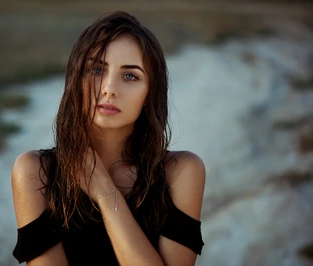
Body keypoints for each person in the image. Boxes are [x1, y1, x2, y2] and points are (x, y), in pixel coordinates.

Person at [11, 11, 205, 266]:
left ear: (149, 94)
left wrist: (104, 191)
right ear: (75, 78)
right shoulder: (35, 172)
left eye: (130, 76)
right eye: (97, 69)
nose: (109, 88)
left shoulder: (181, 173)